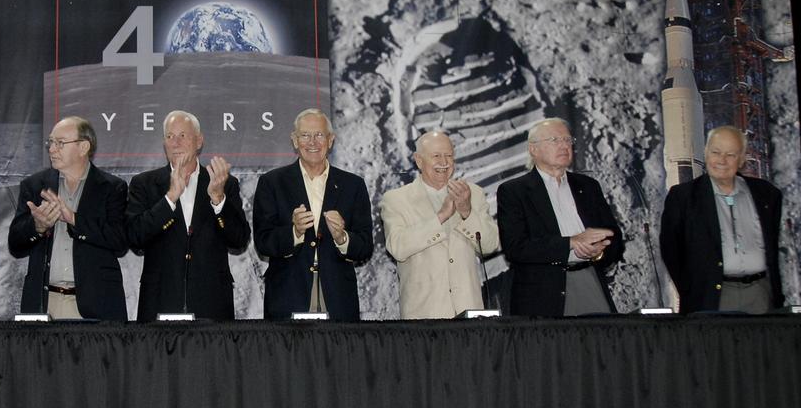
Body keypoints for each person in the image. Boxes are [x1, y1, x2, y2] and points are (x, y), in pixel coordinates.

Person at [126, 110, 250, 320]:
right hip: (160, 302)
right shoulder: (144, 184)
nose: (175, 143)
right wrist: (170, 198)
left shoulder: (224, 183)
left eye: (183, 136)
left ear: (199, 141)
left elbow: (239, 240)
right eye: (169, 137)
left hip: (211, 305)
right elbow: (135, 237)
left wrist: (219, 200)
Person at [253, 108, 373, 320]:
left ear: (331, 140)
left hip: (338, 297)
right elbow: (263, 242)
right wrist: (295, 232)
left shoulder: (352, 185)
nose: (312, 142)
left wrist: (342, 238)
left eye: (319, 135)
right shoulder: (272, 183)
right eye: (305, 135)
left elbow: (364, 247)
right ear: (294, 140)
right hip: (288, 295)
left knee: (337, 354)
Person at [496, 118, 623, 316]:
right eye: (555, 140)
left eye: (567, 140)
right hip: (540, 292)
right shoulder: (514, 191)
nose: (564, 145)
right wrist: (570, 243)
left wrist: (598, 252)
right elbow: (516, 247)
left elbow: (614, 237)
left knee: (602, 344)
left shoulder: (588, 186)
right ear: (533, 149)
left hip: (589, 280)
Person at [7, 116, 128, 320]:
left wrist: (74, 219)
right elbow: (15, 245)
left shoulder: (111, 187)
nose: (52, 149)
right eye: (51, 142)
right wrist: (37, 226)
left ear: (83, 147)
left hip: (95, 306)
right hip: (45, 304)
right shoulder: (35, 186)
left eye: (60, 143)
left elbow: (120, 241)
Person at [660, 125, 784, 313]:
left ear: (742, 158)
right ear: (706, 152)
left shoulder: (767, 195)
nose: (722, 161)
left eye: (730, 155)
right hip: (711, 299)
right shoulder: (683, 198)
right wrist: (692, 290)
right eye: (716, 152)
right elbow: (671, 251)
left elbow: (773, 244)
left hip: (760, 295)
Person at [380, 131, 500, 318]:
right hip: (423, 315)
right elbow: (397, 247)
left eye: (449, 156)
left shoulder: (472, 193)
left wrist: (467, 212)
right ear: (419, 160)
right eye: (436, 156)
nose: (444, 162)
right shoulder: (396, 199)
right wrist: (441, 217)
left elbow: (490, 244)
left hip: (470, 314)